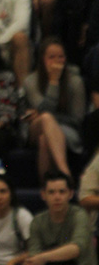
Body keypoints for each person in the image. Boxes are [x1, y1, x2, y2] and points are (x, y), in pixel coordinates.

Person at [24, 171, 97, 265]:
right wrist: (32, 262)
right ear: (43, 195)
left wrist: (44, 257)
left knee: (57, 264)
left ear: (70, 194)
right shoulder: (37, 221)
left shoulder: (79, 215)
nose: (57, 197)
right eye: (51, 192)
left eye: (62, 192)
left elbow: (76, 249)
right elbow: (34, 255)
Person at [22, 37, 86, 183]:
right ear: (42, 59)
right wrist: (53, 82)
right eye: (51, 57)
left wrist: (49, 117)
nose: (57, 61)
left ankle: (49, 187)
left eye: (60, 57)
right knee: (45, 119)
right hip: (34, 128)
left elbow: (77, 119)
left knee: (45, 139)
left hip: (68, 129)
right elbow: (45, 110)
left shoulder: (75, 81)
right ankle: (66, 175)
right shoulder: (31, 81)